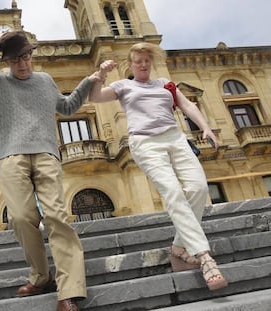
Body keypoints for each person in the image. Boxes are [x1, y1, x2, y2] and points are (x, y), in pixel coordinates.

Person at [0, 31, 101, 311]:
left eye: (26, 57)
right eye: (15, 60)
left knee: (57, 217)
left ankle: (69, 292)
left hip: (46, 153)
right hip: (10, 156)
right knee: (21, 217)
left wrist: (88, 82)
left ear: (31, 56)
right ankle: (41, 277)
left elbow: (67, 108)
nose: (22, 64)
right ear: (8, 61)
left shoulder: (45, 80)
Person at [89, 42, 228, 291]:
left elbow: (187, 105)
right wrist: (100, 75)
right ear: (130, 64)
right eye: (138, 60)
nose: (143, 64)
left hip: (175, 138)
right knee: (173, 192)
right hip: (145, 143)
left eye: (146, 60)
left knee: (198, 188)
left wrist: (205, 126)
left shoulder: (165, 83)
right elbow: (95, 97)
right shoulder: (124, 85)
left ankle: (178, 247)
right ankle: (205, 257)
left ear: (150, 62)